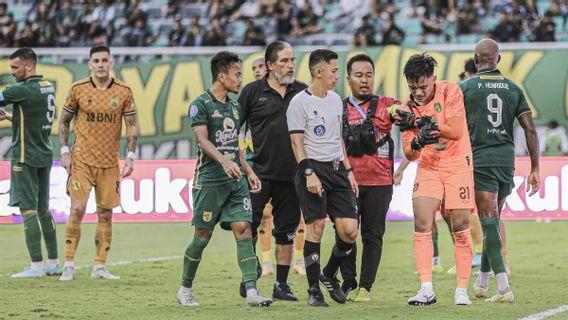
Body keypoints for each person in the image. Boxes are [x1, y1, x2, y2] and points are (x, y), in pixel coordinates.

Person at [177, 51, 272, 307]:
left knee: (244, 229)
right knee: (202, 236)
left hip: (236, 180)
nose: (241, 79)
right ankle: (185, 288)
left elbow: (235, 145)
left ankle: (251, 291)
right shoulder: (200, 104)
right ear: (222, 76)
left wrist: (249, 171)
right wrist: (224, 161)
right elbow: (203, 140)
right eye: (237, 74)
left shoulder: (234, 106)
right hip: (209, 180)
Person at [461, 39, 540, 303]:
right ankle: (483, 281)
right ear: (499, 60)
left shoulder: (466, 88)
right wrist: (536, 168)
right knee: (492, 223)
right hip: (506, 161)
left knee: (488, 220)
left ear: (475, 59)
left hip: (481, 160)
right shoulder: (513, 89)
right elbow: (529, 129)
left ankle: (504, 287)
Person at [396, 53, 474, 306]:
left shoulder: (450, 91)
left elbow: (456, 131)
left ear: (433, 79)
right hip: (429, 166)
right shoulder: (406, 108)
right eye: (413, 87)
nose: (418, 92)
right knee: (422, 223)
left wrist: (420, 122)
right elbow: (409, 151)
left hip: (457, 165)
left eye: (423, 86)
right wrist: (417, 139)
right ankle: (426, 289)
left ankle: (462, 289)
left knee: (460, 226)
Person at [58, 45, 139, 281]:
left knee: (105, 214)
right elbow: (64, 122)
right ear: (90, 64)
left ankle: (100, 267)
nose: (101, 65)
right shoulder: (78, 89)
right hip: (81, 160)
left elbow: (131, 125)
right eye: (96, 61)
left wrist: (131, 156)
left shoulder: (124, 91)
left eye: (105, 60)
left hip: (109, 162)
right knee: (77, 209)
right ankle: (69, 264)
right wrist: (64, 151)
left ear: (111, 62)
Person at [287, 49, 359, 307]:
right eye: (333, 70)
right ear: (318, 72)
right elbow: (297, 143)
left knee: (349, 231)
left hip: (337, 168)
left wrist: (349, 171)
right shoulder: (299, 102)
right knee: (315, 228)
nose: (337, 75)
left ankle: (328, 274)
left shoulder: (335, 99)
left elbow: (337, 138)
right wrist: (309, 173)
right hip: (312, 168)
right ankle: (314, 291)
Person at [238, 41, 306, 301]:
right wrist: (242, 165)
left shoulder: (302, 92)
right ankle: (250, 273)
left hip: (292, 175)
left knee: (286, 232)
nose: (290, 65)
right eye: (284, 61)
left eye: (292, 60)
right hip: (258, 174)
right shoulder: (252, 92)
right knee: (247, 226)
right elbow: (235, 130)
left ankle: (281, 285)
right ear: (269, 65)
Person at [338, 53, 401, 302]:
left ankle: (366, 288)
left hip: (380, 183)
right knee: (345, 234)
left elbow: (408, 115)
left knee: (373, 235)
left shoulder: (389, 104)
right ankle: (348, 283)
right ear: (348, 79)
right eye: (359, 75)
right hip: (346, 183)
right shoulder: (338, 107)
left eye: (369, 75)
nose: (365, 80)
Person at [0, 47, 60, 278]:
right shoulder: (46, 87)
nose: (12, 72)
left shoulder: (21, 90)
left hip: (24, 157)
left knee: (28, 210)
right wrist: (8, 116)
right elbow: (32, 117)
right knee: (44, 209)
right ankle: (53, 264)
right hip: (44, 154)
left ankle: (36, 266)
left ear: (29, 66)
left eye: (15, 67)